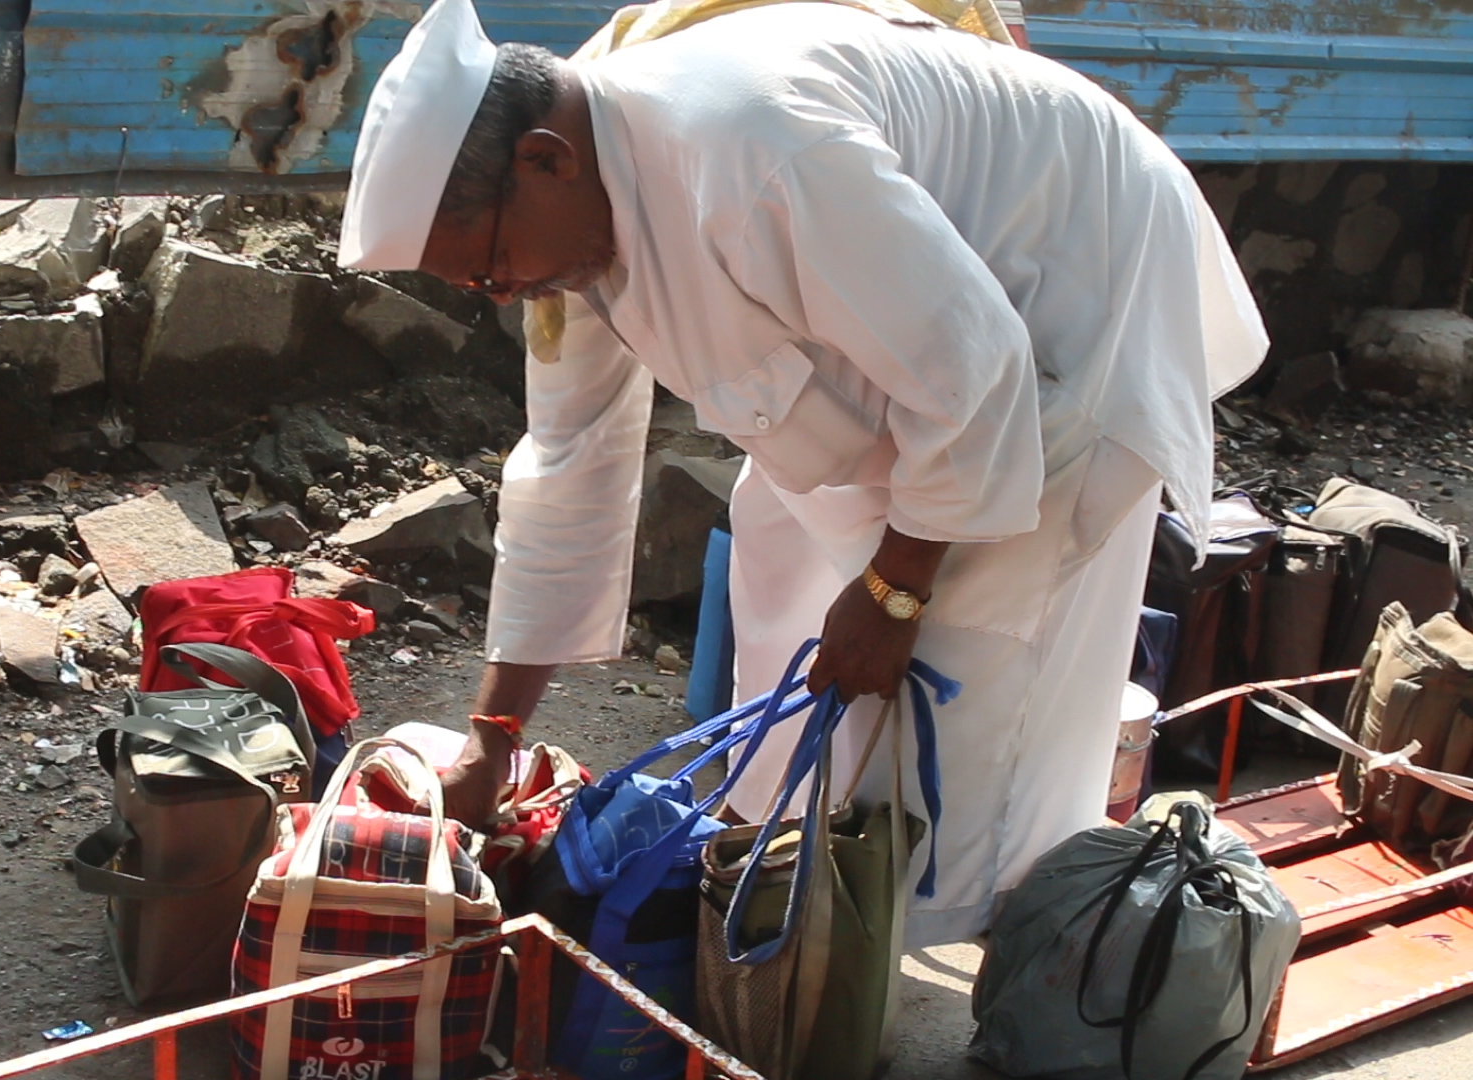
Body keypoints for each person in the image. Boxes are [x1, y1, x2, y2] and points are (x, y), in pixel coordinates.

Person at [337, 0, 1266, 947]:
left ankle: (983, 942)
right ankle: (790, 884)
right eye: (474, 285)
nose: (500, 292)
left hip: (1070, 279)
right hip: (920, 324)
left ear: (547, 158)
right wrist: (493, 739)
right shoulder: (565, 218)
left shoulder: (751, 151)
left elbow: (978, 368)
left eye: (492, 264)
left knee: (977, 654)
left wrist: (897, 589)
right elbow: (570, 462)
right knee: (782, 559)